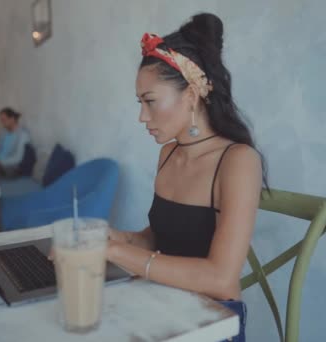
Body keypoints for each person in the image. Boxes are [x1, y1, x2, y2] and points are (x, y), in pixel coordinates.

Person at [105, 13, 268, 341]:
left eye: (150, 102)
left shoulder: (237, 161)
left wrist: (118, 254)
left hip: (210, 322)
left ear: (191, 94)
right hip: (163, 303)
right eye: (140, 103)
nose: (141, 116)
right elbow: (165, 237)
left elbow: (221, 278)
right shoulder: (169, 153)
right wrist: (114, 238)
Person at [0, 107, 32, 176]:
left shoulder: (23, 135)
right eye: (1, 120)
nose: (2, 123)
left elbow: (18, 158)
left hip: (10, 167)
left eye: (4, 120)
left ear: (12, 119)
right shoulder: (4, 133)